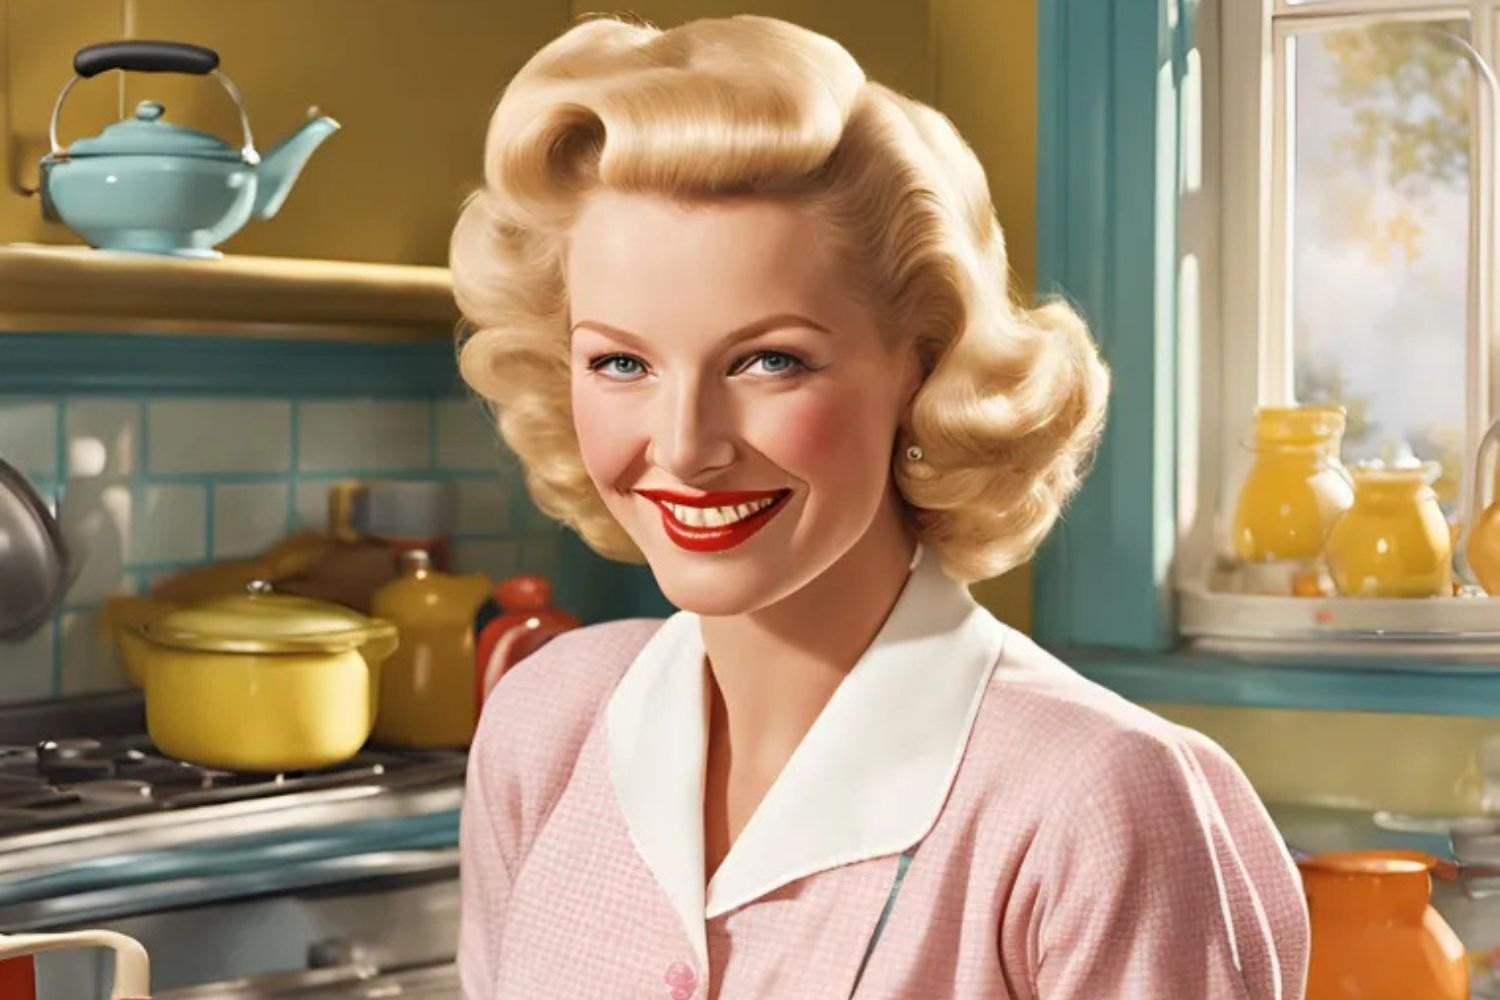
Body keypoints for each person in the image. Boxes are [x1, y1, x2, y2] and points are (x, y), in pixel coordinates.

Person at [449, 14, 1309, 1000]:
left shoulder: (1095, 805)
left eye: (769, 360)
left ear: (925, 363)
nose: (685, 445)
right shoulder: (546, 726)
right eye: (621, 362)